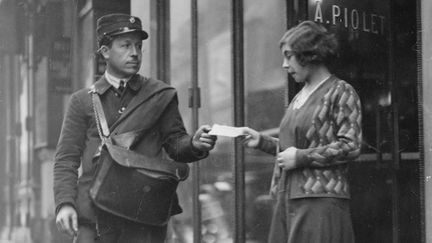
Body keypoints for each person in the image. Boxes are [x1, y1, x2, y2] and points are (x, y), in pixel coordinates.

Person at [53, 13, 217, 242]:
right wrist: (65, 204)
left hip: (144, 215)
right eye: (126, 45)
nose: (134, 53)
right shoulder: (82, 101)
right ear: (106, 52)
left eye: (139, 46)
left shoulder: (160, 95)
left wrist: (194, 144)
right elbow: (66, 159)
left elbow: (175, 145)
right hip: (95, 214)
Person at [241, 20, 362, 243]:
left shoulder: (341, 91)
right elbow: (292, 148)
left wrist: (300, 157)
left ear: (310, 54)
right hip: (288, 198)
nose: (284, 65)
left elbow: (351, 146)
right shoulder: (299, 96)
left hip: (319, 201)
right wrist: (261, 141)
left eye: (289, 56)